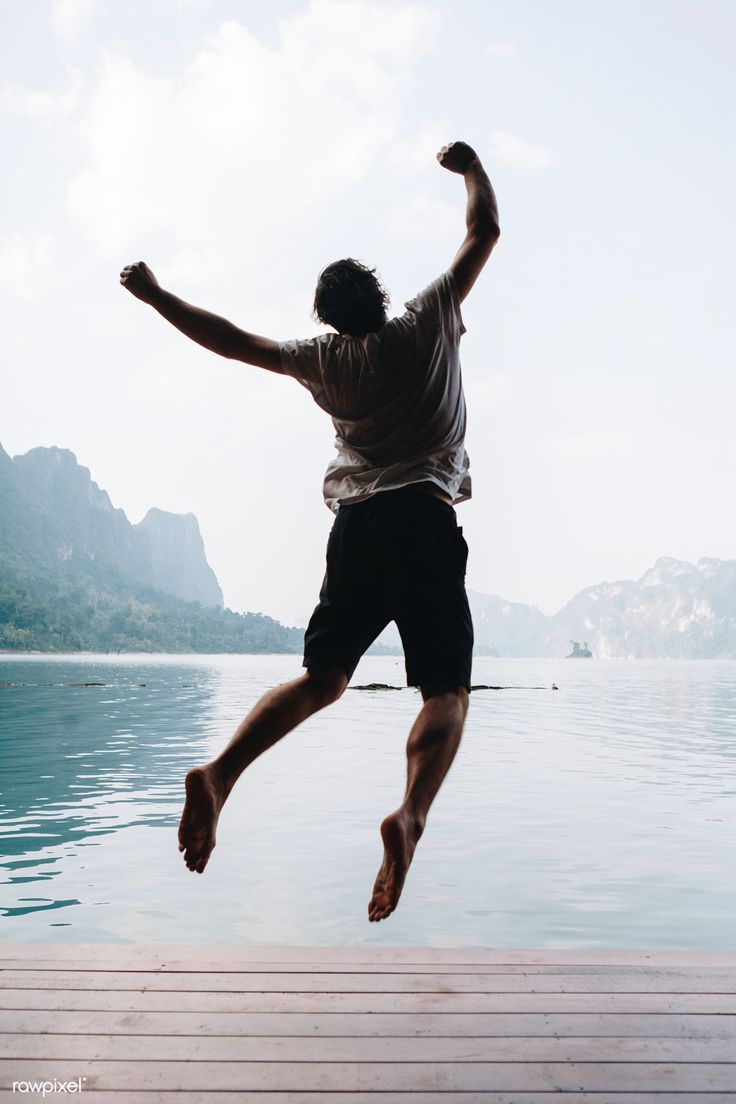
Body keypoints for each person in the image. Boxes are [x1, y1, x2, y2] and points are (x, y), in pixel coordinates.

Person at [120, 140, 500, 921]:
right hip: (426, 522)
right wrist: (467, 167)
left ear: (328, 318)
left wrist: (157, 296)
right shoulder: (428, 320)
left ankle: (221, 772)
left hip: (357, 529)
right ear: (382, 295)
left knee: (324, 678)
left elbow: (228, 338)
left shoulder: (319, 361)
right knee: (446, 690)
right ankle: (411, 815)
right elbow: (484, 230)